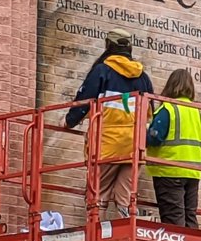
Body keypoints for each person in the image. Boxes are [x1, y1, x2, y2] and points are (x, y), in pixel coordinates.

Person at [65, 30, 153, 219]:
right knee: (126, 197)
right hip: (134, 147)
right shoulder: (142, 77)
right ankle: (127, 229)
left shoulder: (102, 71)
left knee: (98, 195)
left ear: (108, 45)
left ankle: (97, 232)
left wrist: (69, 121)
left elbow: (83, 102)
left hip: (107, 145)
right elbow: (150, 113)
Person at [145, 69, 201, 228]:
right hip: (193, 172)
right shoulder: (197, 112)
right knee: (190, 217)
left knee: (174, 218)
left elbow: (154, 138)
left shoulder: (169, 108)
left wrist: (143, 132)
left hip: (170, 170)